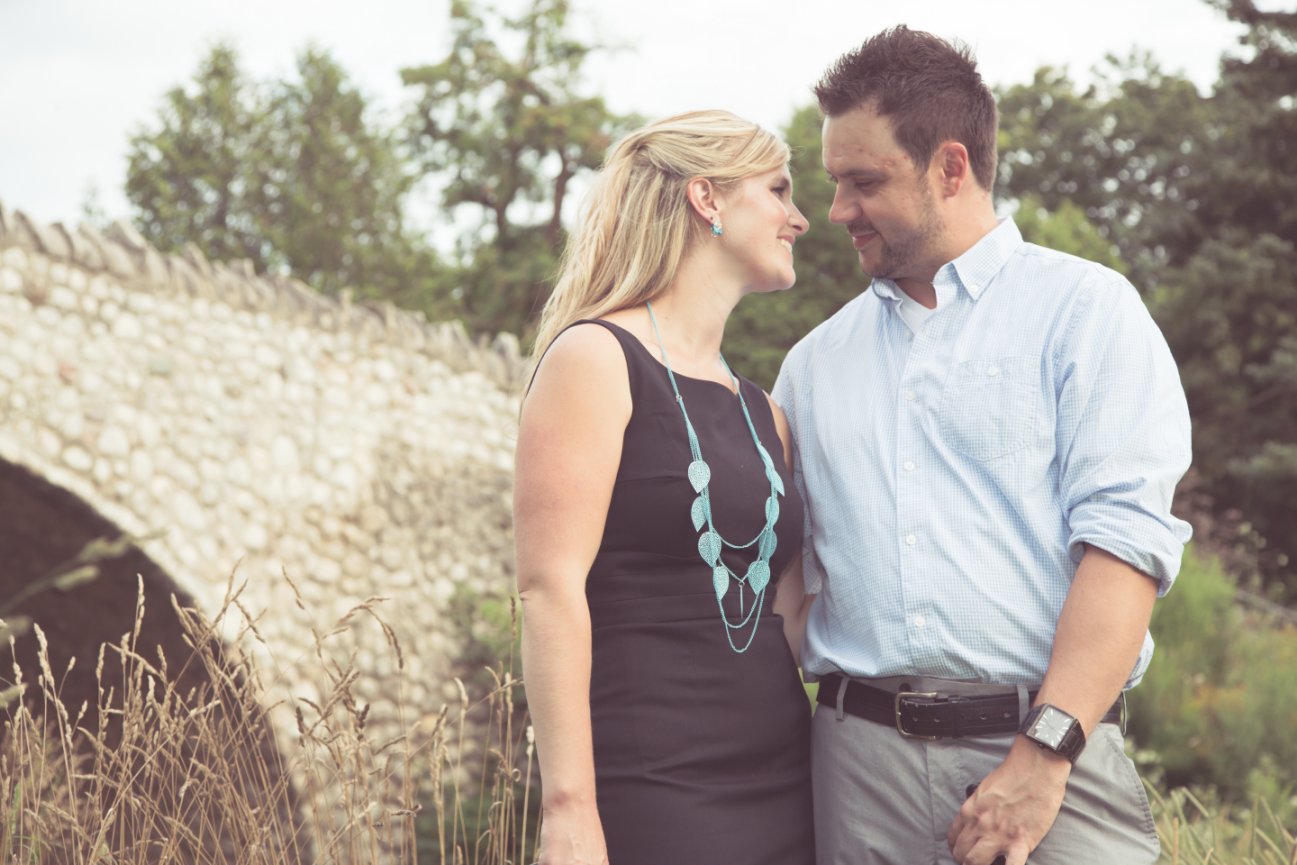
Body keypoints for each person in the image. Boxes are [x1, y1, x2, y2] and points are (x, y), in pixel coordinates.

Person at [772, 27, 1192, 865]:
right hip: (857, 776)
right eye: (833, 184)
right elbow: (784, 588)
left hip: (1049, 760)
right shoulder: (811, 365)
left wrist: (1041, 757)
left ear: (949, 168)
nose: (836, 212)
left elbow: (1124, 549)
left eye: (863, 182)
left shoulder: (1086, 313)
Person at [514, 110, 815, 865]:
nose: (799, 218)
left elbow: (786, 614)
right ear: (706, 199)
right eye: (777, 190)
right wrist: (568, 808)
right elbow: (549, 589)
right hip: (652, 785)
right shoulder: (593, 357)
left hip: (786, 779)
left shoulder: (764, 412)